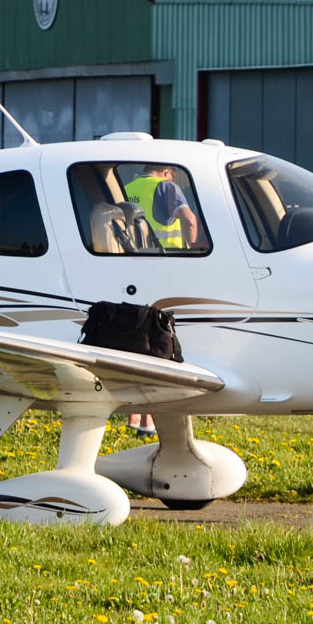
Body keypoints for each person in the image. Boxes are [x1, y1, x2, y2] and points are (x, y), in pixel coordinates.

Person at [122, 164, 201, 436]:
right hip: (165, 268)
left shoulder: (128, 189)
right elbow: (189, 220)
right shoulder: (167, 187)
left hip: (132, 271)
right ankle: (149, 420)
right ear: (167, 171)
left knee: (136, 341)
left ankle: (132, 414)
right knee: (161, 343)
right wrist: (191, 250)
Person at [122, 164, 199, 251]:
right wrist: (192, 250)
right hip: (164, 254)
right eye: (172, 178)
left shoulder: (126, 188)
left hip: (135, 253)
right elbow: (189, 222)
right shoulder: (166, 186)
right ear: (166, 173)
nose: (172, 182)